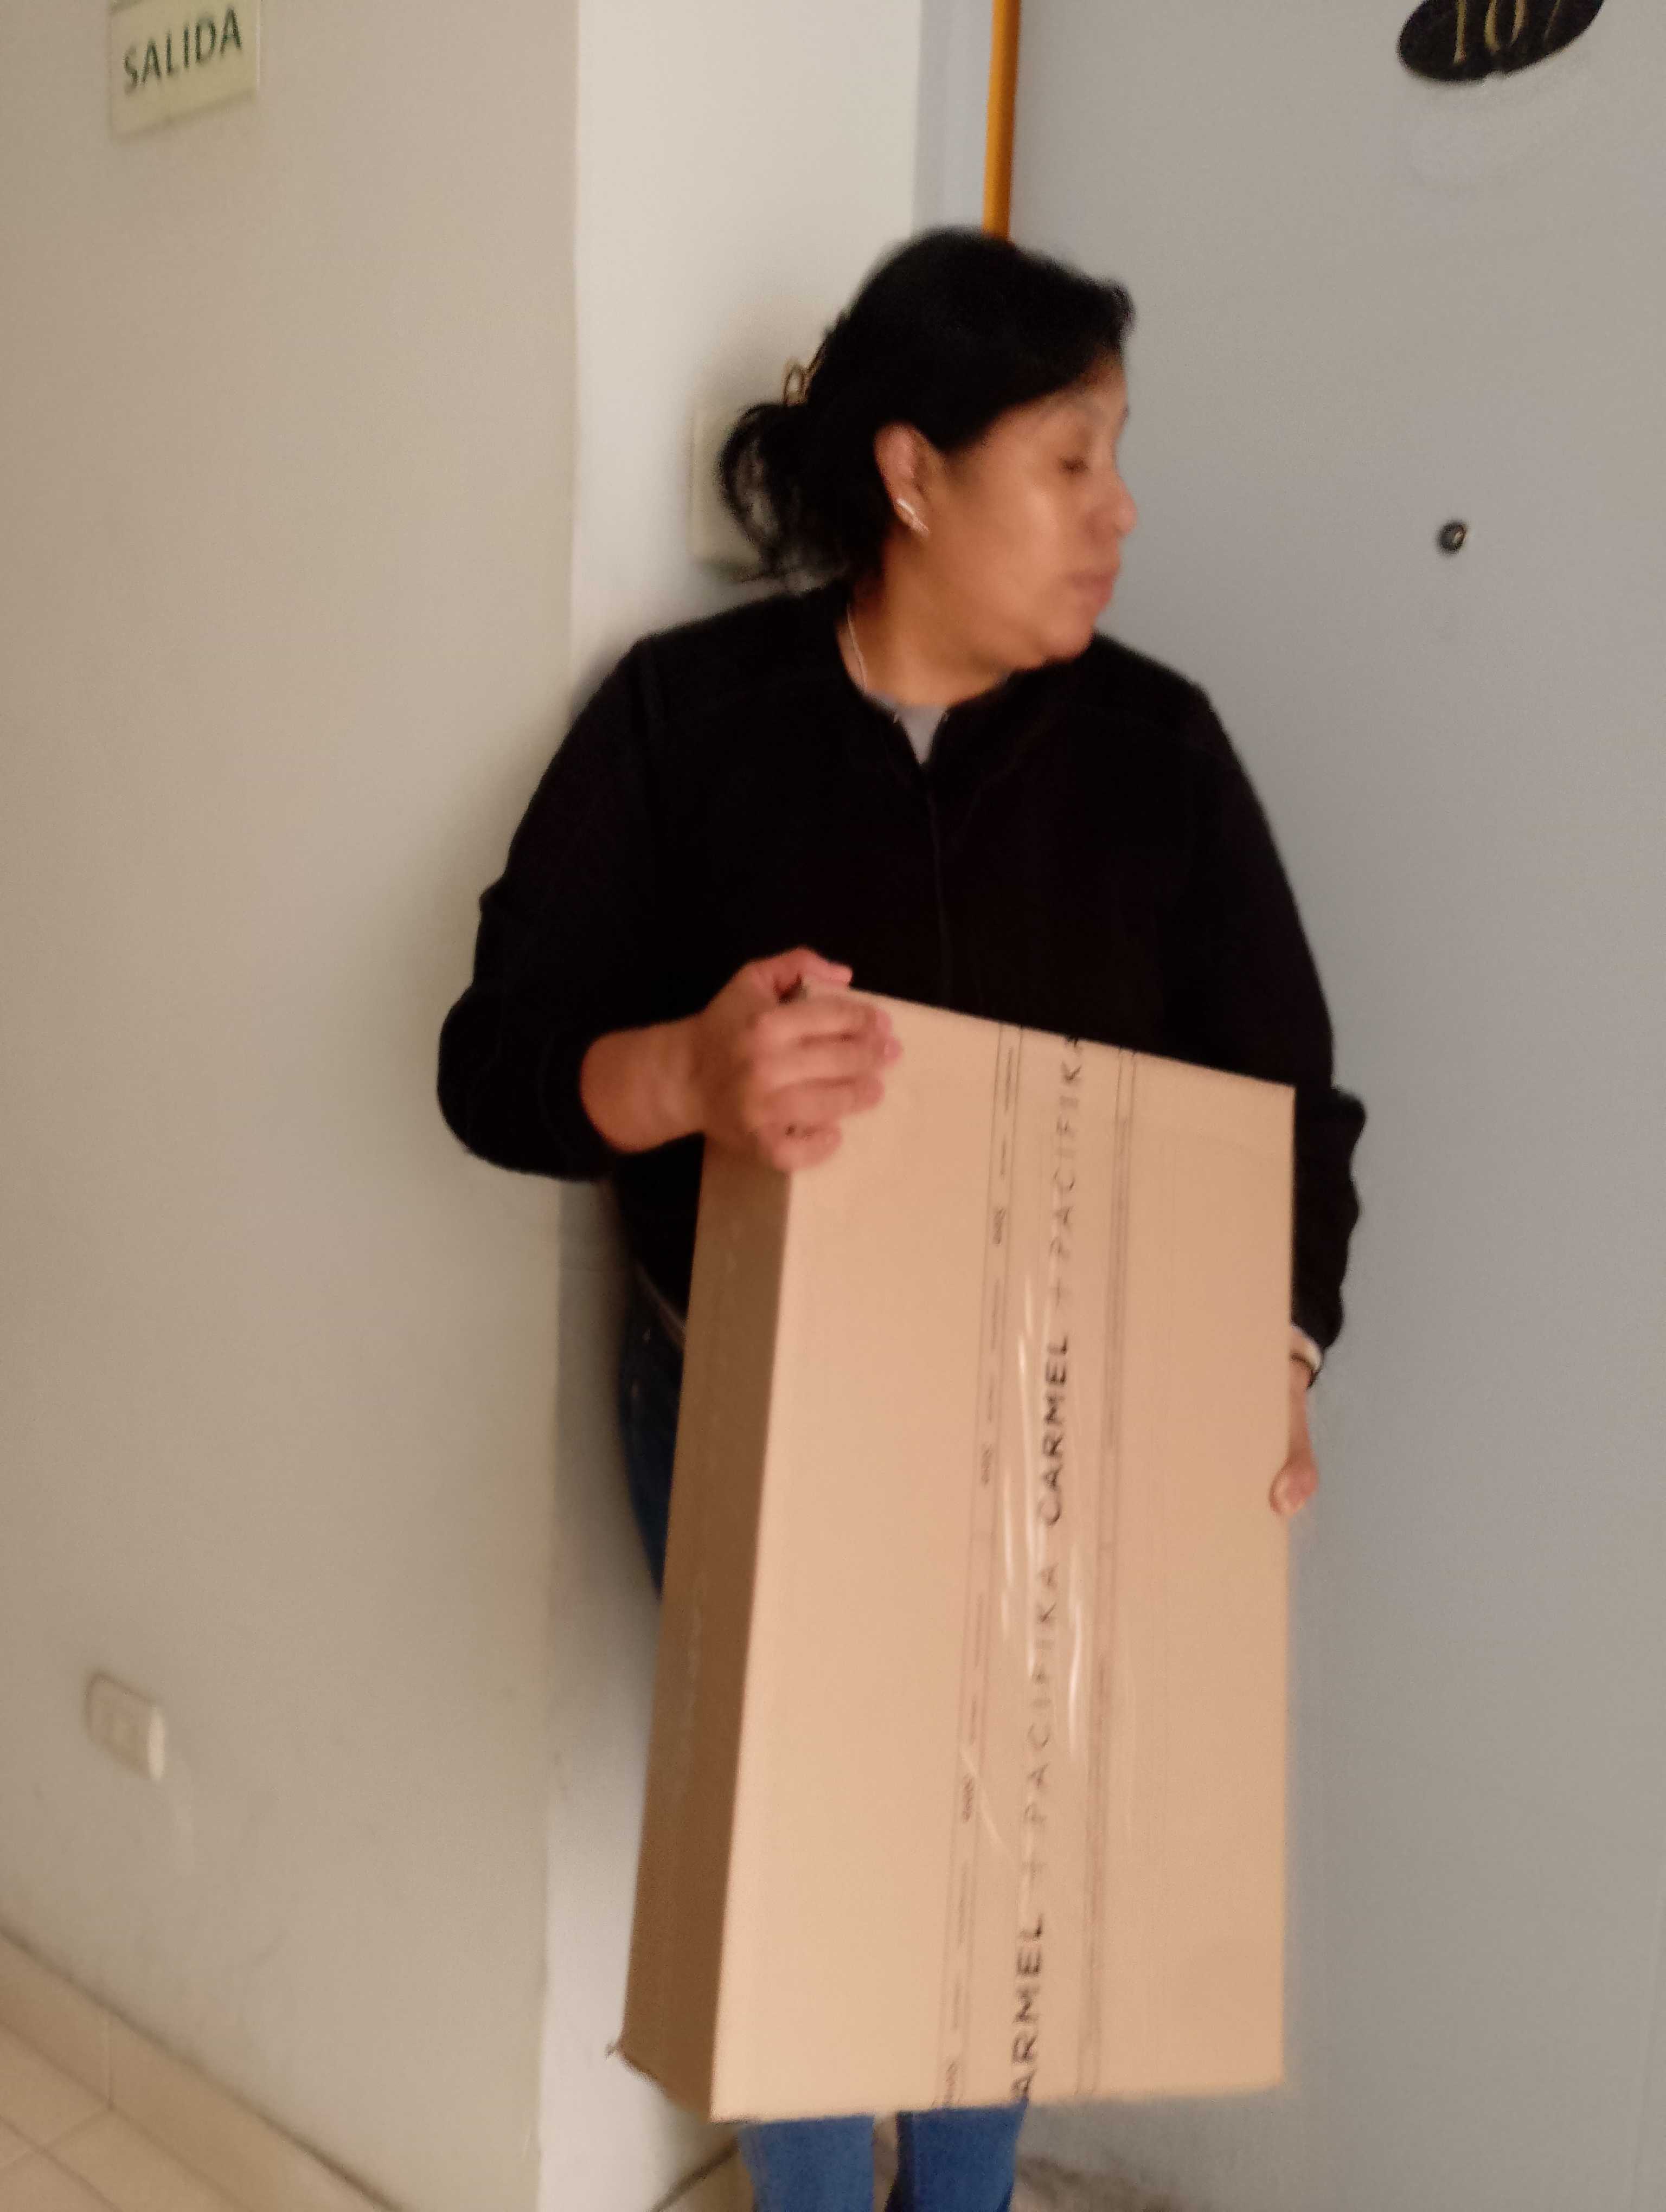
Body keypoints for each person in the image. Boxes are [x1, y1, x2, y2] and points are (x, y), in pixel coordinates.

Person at [437, 227, 1365, 2212]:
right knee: (804, 1854)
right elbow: (489, 1060)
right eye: (1072, 458)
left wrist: (1276, 1347)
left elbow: (1292, 1101)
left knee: (1006, 1859)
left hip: (1063, 1432)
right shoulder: (688, 723)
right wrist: (683, 1078)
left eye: (1120, 455)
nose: (1121, 511)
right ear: (913, 474)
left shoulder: (1158, 755)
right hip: (745, 1403)